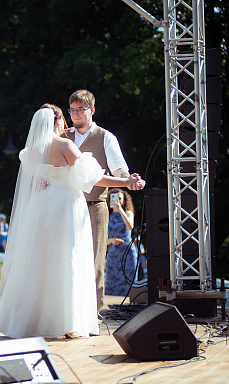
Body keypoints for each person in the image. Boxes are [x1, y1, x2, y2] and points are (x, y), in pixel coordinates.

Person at [0, 105, 145, 339]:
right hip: (65, 206)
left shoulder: (30, 151)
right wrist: (126, 183)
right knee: (67, 259)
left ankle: (28, 321)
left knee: (38, 260)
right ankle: (65, 321)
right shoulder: (64, 145)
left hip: (41, 206)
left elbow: (34, 182)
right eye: (62, 118)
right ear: (56, 122)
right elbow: (94, 177)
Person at [65, 89, 143, 318]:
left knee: (95, 257)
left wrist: (128, 179)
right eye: (73, 110)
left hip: (95, 205)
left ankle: (94, 309)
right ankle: (68, 308)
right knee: (67, 256)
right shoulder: (63, 136)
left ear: (92, 110)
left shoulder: (105, 137)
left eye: (82, 109)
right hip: (66, 203)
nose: (77, 114)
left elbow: (119, 167)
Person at [105, 188, 138, 296]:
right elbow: (102, 240)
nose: (117, 201)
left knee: (128, 281)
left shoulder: (128, 212)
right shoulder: (106, 216)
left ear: (124, 201)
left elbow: (130, 226)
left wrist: (120, 210)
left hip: (127, 252)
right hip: (113, 254)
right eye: (114, 198)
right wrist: (111, 240)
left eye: (120, 199)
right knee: (112, 283)